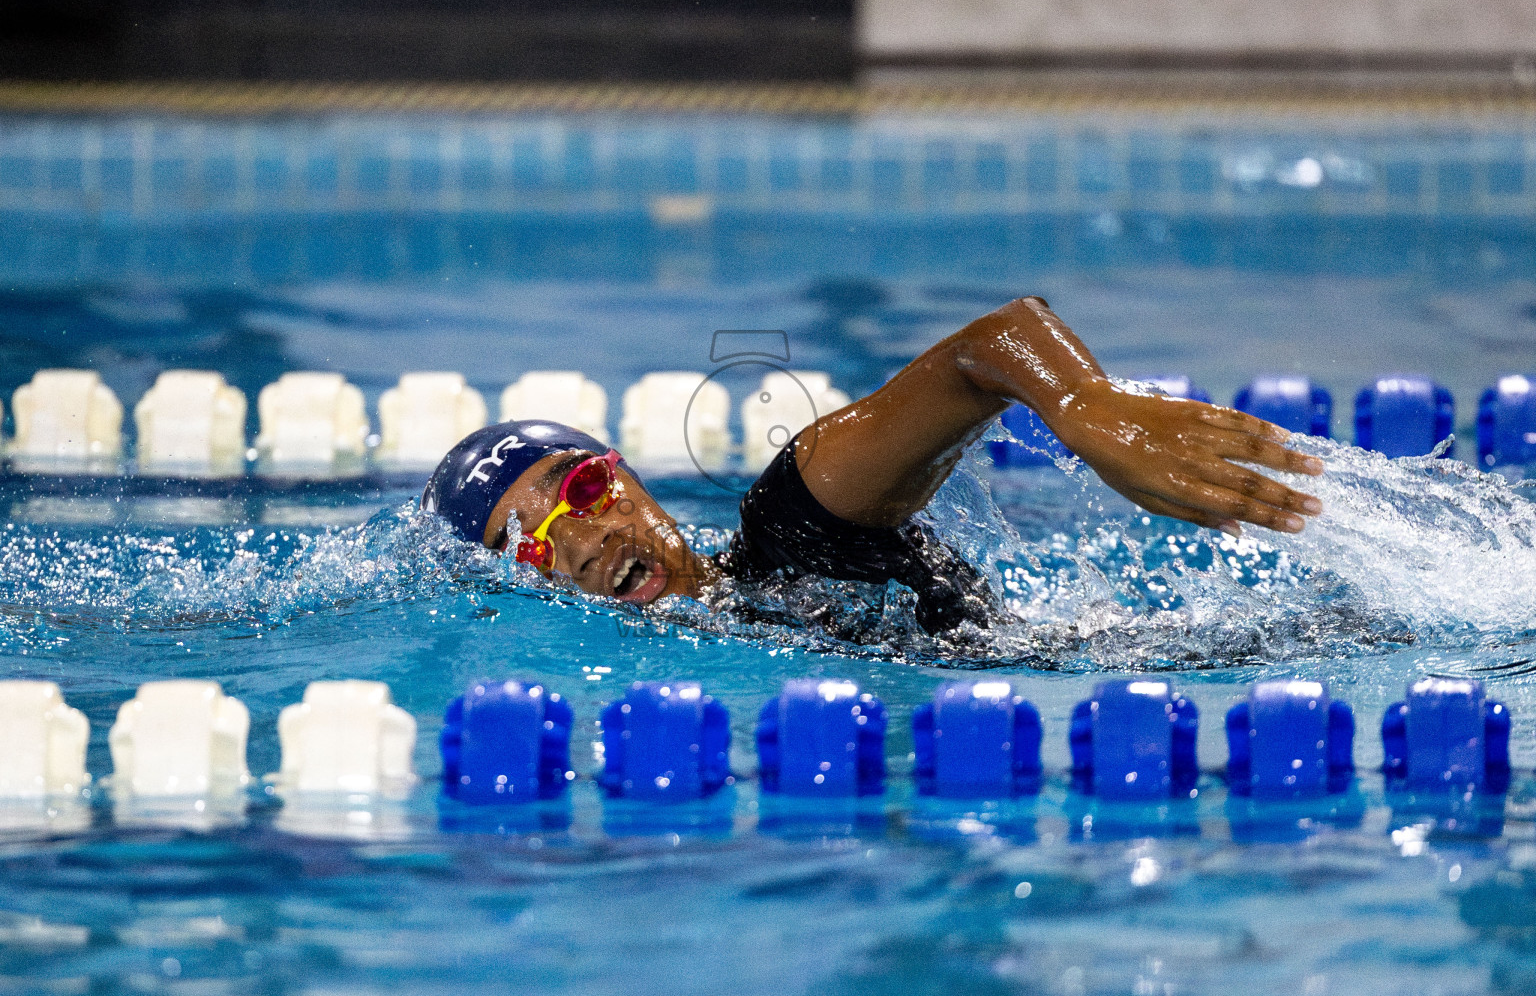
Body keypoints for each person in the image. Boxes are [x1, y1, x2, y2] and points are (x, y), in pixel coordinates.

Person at [421, 297, 1324, 634]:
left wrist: (1086, 410)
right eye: (530, 547)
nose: (578, 543)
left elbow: (991, 345)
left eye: (579, 490)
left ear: (631, 480)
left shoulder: (796, 523)